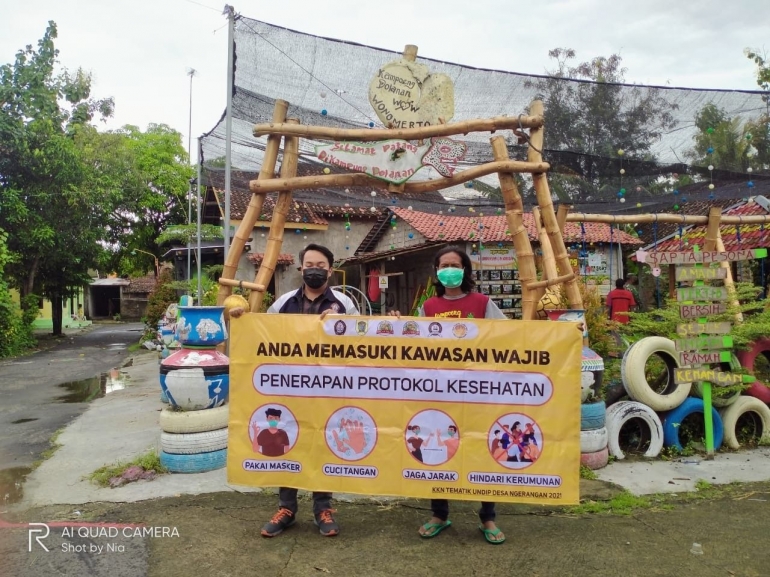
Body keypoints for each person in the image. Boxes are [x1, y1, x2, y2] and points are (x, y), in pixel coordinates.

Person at [230, 243, 359, 538]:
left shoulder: (344, 304)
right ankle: (286, 508)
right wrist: (241, 318)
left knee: (322, 444)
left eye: (321, 264)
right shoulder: (283, 303)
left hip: (328, 389)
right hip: (289, 388)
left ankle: (323, 508)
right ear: (302, 269)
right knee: (286, 443)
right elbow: (261, 336)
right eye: (309, 264)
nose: (315, 269)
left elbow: (359, 344)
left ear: (330, 269)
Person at [390, 246, 506, 544]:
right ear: (437, 271)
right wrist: (395, 325)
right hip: (439, 392)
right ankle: (439, 514)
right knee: (439, 451)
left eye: (455, 264)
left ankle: (488, 517)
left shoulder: (483, 303)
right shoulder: (428, 307)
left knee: (481, 451)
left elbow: (511, 336)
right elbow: (414, 342)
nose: (450, 269)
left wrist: (562, 332)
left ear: (466, 269)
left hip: (478, 392)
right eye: (444, 265)